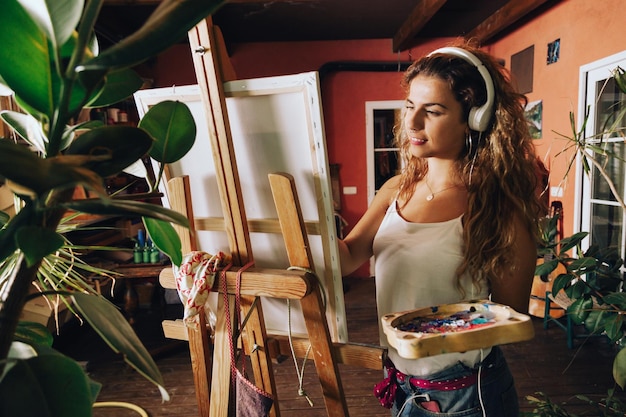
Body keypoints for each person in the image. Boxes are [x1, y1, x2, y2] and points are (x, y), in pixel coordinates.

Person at [337, 42, 544, 416]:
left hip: (466, 397)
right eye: (410, 106)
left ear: (474, 118)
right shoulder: (394, 190)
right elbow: (347, 257)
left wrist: (434, 327)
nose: (413, 123)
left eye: (432, 111)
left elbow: (510, 313)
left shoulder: (495, 206)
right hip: (403, 386)